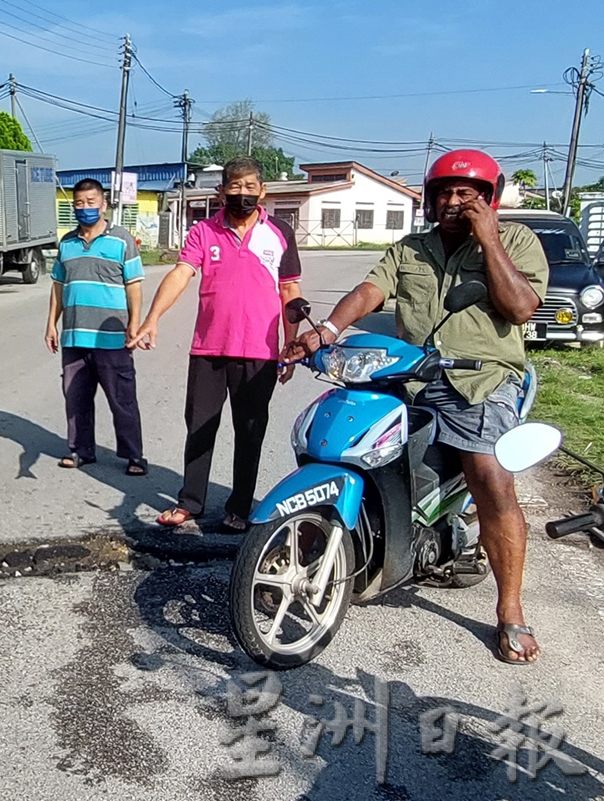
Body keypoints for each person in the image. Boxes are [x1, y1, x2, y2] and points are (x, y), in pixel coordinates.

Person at [282, 149, 548, 664]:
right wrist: (327, 331)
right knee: (353, 446)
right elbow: (369, 291)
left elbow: (520, 307)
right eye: (443, 192)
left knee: (489, 475)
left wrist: (488, 237)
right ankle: (329, 551)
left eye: (465, 194)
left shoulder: (516, 241)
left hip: (483, 379)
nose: (452, 202)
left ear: (488, 200)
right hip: (412, 375)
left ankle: (510, 610)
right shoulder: (411, 248)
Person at [128, 156, 303, 533]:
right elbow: (181, 273)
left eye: (250, 187)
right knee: (200, 426)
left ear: (263, 191)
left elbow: (289, 289)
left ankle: (239, 507)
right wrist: (152, 318)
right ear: (221, 190)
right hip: (209, 349)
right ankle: (190, 502)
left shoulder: (280, 233)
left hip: (260, 352)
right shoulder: (204, 232)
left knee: (251, 430)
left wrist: (290, 346)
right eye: (235, 187)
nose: (242, 194)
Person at [44, 178, 147, 475]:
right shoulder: (67, 243)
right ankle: (80, 450)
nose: (85, 208)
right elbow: (58, 287)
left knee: (122, 398)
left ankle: (134, 456)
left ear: (103, 204)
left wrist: (135, 325)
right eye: (79, 203)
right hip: (75, 336)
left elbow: (134, 287)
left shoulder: (121, 240)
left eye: (91, 202)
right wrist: (51, 324)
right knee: (75, 397)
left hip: (112, 337)